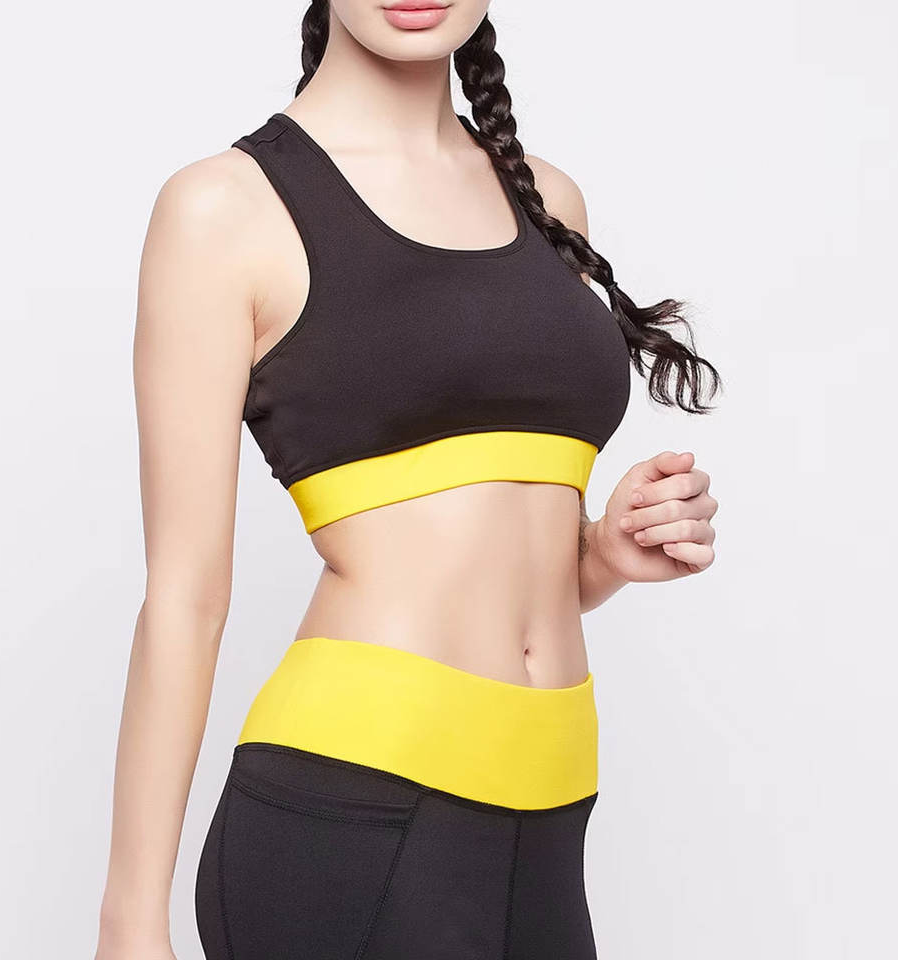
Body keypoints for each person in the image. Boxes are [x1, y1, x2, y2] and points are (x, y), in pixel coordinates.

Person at [94, 2, 721, 958]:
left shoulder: (545, 197)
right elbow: (186, 597)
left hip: (550, 813)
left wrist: (601, 556)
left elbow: (496, 546)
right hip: (356, 812)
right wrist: (130, 925)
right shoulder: (225, 209)